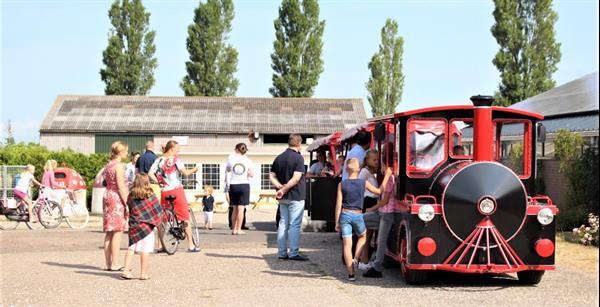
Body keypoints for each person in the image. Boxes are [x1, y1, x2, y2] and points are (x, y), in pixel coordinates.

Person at [335, 158, 387, 281]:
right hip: (358, 215)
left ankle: (351, 274)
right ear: (358, 169)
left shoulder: (341, 184)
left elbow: (338, 205)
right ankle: (356, 258)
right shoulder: (363, 183)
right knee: (363, 236)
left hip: (345, 214)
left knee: (347, 245)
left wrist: (337, 222)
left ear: (347, 169)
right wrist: (388, 175)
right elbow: (379, 191)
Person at [148, 140, 200, 252]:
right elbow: (185, 173)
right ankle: (191, 245)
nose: (178, 151)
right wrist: (195, 169)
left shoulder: (158, 160)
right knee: (184, 218)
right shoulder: (176, 160)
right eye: (177, 149)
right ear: (171, 149)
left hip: (164, 191)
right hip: (177, 191)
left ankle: (162, 246)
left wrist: (158, 182)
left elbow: (150, 173)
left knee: (164, 220)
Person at [270, 134, 308, 261]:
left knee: (283, 223)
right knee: (294, 224)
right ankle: (293, 253)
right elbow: (296, 178)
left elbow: (271, 176)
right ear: (299, 144)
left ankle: (281, 252)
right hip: (296, 195)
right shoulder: (298, 158)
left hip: (283, 197)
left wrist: (280, 187)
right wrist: (285, 188)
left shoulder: (279, 158)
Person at [363, 144, 397, 278]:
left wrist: (371, 208)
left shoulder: (390, 178)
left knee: (381, 240)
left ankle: (377, 267)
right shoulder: (388, 177)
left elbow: (384, 199)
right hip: (383, 210)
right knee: (363, 221)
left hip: (387, 211)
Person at [122, 174, 164, 280]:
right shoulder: (150, 195)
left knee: (131, 248)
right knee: (146, 250)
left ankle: (126, 271)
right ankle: (143, 274)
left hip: (134, 226)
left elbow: (130, 208)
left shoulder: (131, 196)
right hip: (147, 228)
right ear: (147, 183)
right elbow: (157, 210)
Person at [102, 141, 130, 271]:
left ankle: (108, 263)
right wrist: (127, 203)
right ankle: (115, 263)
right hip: (116, 198)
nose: (127, 153)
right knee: (117, 231)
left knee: (109, 232)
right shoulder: (119, 166)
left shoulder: (108, 166)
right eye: (126, 151)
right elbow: (121, 187)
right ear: (121, 152)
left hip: (107, 195)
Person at [357, 150, 380, 269]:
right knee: (367, 234)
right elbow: (360, 186)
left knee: (369, 234)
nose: (376, 162)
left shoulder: (371, 172)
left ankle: (364, 259)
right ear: (367, 160)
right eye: (374, 160)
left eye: (377, 160)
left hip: (372, 201)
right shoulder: (365, 172)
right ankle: (363, 260)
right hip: (368, 201)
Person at [225, 143, 254, 235]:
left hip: (233, 184)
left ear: (237, 150)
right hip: (244, 184)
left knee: (234, 208)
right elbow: (251, 174)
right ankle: (239, 229)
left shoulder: (231, 158)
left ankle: (233, 229)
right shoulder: (248, 160)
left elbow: (228, 169)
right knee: (241, 208)